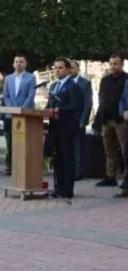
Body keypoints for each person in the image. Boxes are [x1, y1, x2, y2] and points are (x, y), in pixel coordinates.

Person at [47, 58, 83, 199]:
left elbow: (74, 106)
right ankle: (58, 188)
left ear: (68, 70)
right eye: (55, 67)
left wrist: (58, 110)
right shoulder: (54, 85)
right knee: (58, 160)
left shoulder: (73, 86)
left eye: (60, 68)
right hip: (55, 128)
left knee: (67, 159)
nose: (57, 70)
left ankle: (68, 190)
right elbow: (49, 104)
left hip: (67, 128)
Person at [1, 55, 36, 176]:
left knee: (24, 141)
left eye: (21, 62)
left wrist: (22, 109)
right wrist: (12, 109)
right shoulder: (8, 78)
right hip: (11, 115)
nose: (18, 64)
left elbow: (31, 95)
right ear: (13, 64)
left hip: (25, 114)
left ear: (25, 64)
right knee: (10, 142)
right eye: (16, 61)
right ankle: (10, 166)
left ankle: (23, 165)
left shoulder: (31, 78)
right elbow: (6, 96)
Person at [95, 54, 126, 187]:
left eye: (116, 64)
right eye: (111, 64)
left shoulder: (126, 79)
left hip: (121, 120)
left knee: (126, 150)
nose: (113, 66)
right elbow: (101, 99)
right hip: (106, 120)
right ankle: (110, 176)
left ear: (122, 64)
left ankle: (126, 178)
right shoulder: (105, 80)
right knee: (109, 150)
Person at [68, 61, 93, 181]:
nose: (70, 70)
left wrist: (83, 120)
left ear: (78, 69)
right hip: (66, 122)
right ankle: (69, 171)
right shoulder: (64, 83)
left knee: (78, 148)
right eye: (69, 68)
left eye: (72, 68)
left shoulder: (85, 83)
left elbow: (88, 104)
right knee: (68, 148)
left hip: (79, 121)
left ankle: (79, 172)